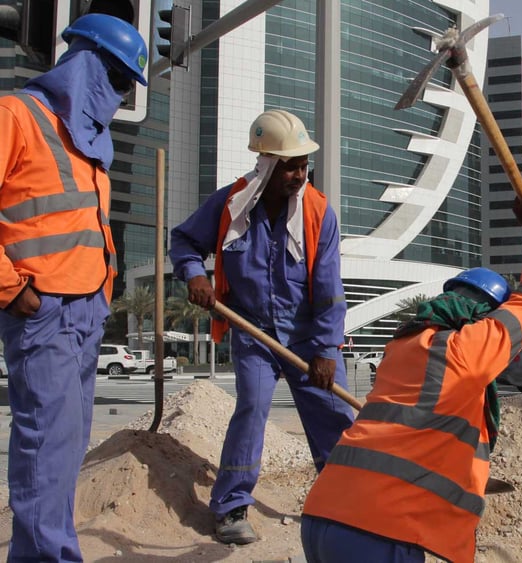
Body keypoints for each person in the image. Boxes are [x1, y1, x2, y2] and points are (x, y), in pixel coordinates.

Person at [299, 184, 522, 563]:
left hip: (323, 515)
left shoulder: (406, 347)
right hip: (378, 532)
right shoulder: (465, 351)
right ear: (483, 317)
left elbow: (514, 332)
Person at [169, 109, 354, 545]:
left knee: (335, 417)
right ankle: (231, 506)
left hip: (309, 337)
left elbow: (329, 291)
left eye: (303, 164)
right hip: (253, 331)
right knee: (251, 407)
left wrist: (326, 351)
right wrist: (195, 274)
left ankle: (347, 501)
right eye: (290, 165)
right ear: (267, 164)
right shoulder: (230, 204)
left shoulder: (318, 213)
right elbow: (183, 241)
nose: (298, 173)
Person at [0, 13, 146, 560]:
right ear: (84, 62)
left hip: (85, 309)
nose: (118, 94)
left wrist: (102, 293)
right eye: (115, 78)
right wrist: (11, 290)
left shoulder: (87, 142)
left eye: (126, 85)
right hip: (42, 307)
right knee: (46, 447)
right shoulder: (16, 115)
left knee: (64, 450)